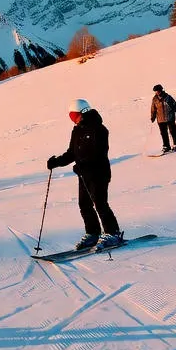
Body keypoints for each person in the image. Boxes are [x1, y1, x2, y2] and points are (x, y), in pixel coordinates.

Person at [47, 98, 123, 250]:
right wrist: (56, 162)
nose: (72, 119)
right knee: (84, 205)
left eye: (73, 116)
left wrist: (85, 166)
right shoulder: (77, 130)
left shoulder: (99, 129)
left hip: (98, 173)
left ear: (83, 112)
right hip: (84, 175)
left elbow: (99, 152)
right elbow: (72, 153)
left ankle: (112, 233)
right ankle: (93, 233)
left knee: (100, 203)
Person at [150, 83, 176, 152]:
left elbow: (175, 106)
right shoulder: (155, 99)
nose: (156, 92)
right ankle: (166, 146)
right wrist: (153, 117)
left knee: (173, 132)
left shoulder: (168, 97)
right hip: (160, 119)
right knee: (163, 133)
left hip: (170, 117)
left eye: (157, 91)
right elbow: (153, 109)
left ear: (161, 90)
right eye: (155, 91)